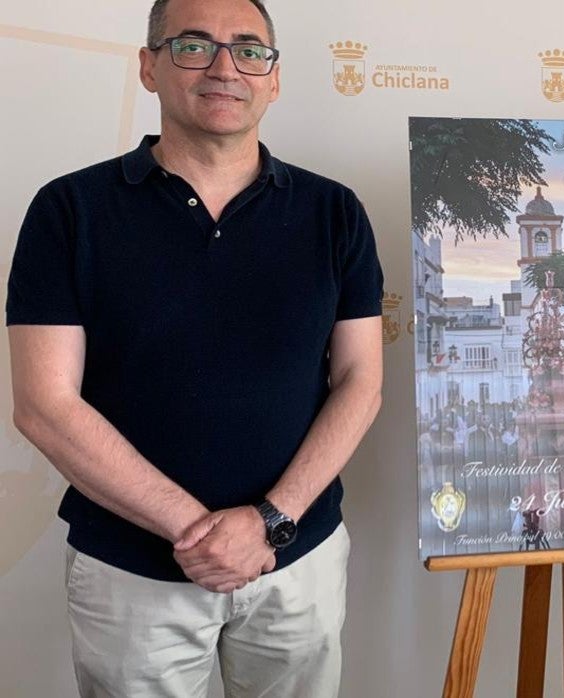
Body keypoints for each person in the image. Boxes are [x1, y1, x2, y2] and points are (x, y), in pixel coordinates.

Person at [6, 0, 383, 695]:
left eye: (248, 49)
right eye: (192, 45)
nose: (223, 67)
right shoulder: (69, 211)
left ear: (274, 78)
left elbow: (361, 381)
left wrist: (268, 524)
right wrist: (204, 533)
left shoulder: (335, 213)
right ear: (148, 67)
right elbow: (43, 405)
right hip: (130, 573)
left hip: (298, 561)